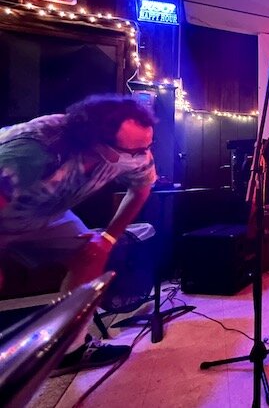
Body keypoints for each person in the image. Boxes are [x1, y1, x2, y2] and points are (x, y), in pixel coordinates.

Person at [0, 94, 157, 375]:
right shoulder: (33, 150)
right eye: (133, 151)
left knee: (92, 252)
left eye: (147, 146)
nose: (142, 157)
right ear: (95, 142)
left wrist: (108, 238)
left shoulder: (136, 152)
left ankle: (70, 351)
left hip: (44, 214)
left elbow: (141, 189)